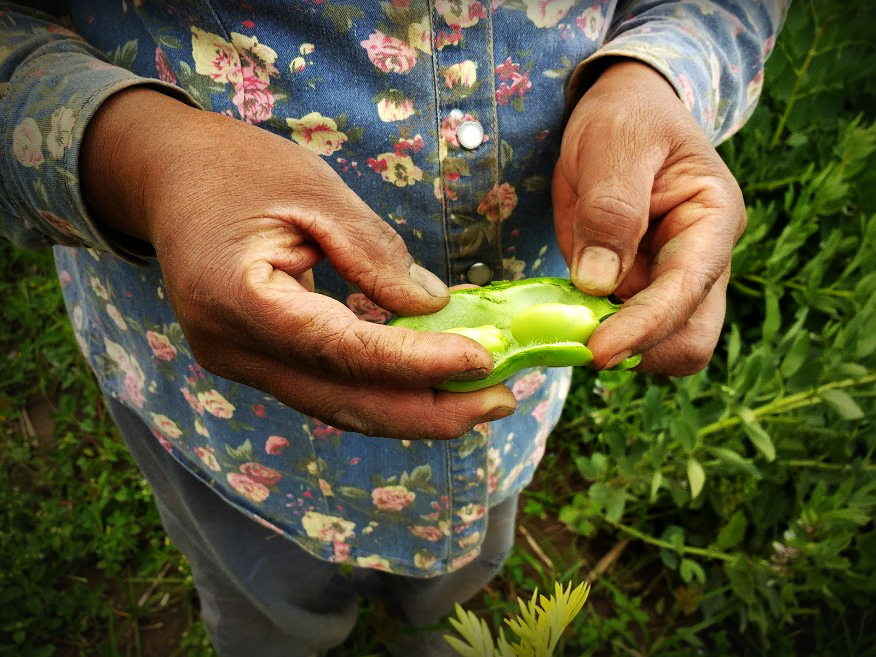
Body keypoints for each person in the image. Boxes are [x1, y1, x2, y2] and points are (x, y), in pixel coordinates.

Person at [1, 1, 787, 654]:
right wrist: (140, 158)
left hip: (502, 415)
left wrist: (655, 75)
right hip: (222, 413)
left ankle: (431, 626)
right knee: (266, 600)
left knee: (460, 576)